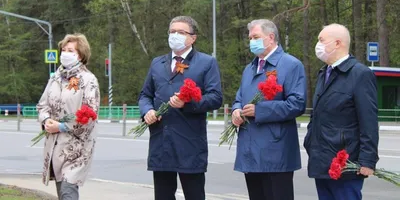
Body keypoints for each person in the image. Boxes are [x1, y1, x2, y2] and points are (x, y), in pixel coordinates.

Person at [139, 16, 222, 200]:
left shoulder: (206, 63)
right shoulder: (157, 63)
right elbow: (145, 95)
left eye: (181, 32)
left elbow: (215, 98)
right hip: (161, 141)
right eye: (172, 32)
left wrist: (189, 104)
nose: (175, 35)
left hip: (189, 143)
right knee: (162, 195)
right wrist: (147, 111)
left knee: (194, 195)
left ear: (193, 38)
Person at [231, 19, 307, 200]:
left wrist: (260, 111)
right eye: (249, 38)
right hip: (250, 150)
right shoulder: (249, 69)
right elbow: (239, 98)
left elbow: (297, 104)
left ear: (271, 37)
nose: (251, 41)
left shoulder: (290, 65)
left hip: (276, 152)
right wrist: (236, 110)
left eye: (255, 37)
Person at [304, 23, 379, 200]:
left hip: (346, 162)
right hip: (321, 161)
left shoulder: (360, 74)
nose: (318, 45)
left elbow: (368, 120)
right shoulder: (324, 73)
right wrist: (310, 141)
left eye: (321, 40)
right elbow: (318, 115)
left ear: (338, 43)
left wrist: (368, 160)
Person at [37, 33, 100, 200]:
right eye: (63, 50)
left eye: (70, 50)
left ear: (80, 54)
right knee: (62, 192)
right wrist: (46, 120)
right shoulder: (56, 78)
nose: (65, 53)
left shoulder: (88, 80)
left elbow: (91, 114)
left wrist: (62, 126)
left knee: (68, 189)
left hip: (77, 148)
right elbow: (42, 104)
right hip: (55, 146)